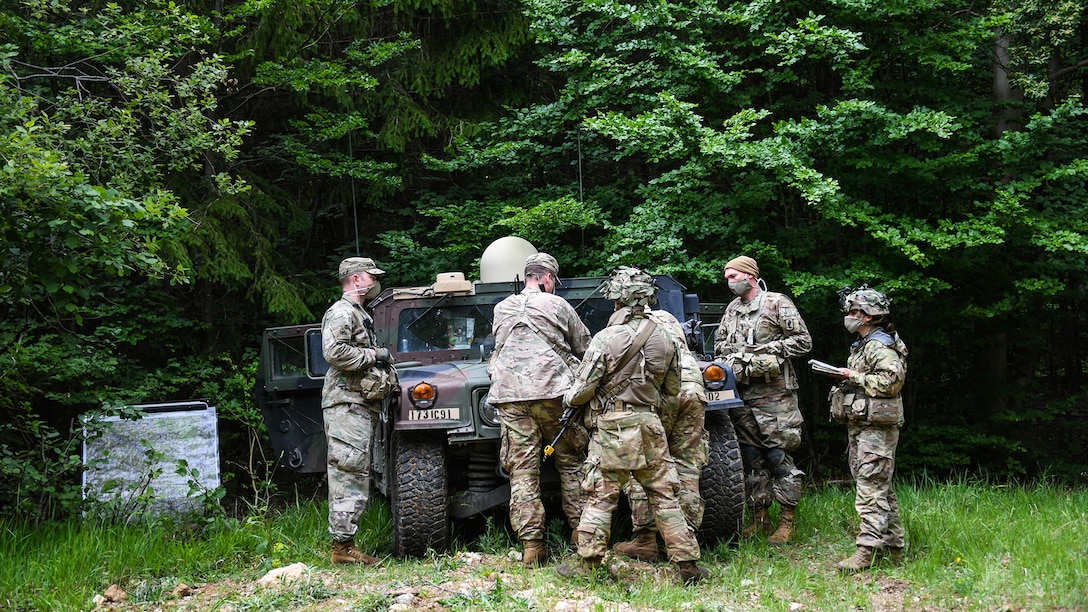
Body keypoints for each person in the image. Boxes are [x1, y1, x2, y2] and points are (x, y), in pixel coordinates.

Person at [558, 267, 708, 585]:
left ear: (617, 301)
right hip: (651, 424)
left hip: (612, 428)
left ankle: (588, 565)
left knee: (601, 496)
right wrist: (656, 423)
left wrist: (571, 400)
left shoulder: (606, 338)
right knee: (665, 496)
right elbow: (670, 394)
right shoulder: (666, 338)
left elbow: (582, 390)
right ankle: (688, 566)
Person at [488, 252, 592, 567]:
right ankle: (581, 535)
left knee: (522, 472)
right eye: (554, 282)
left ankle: (532, 546)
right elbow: (584, 348)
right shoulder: (559, 306)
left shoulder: (501, 307)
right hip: (554, 395)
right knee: (571, 463)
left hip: (510, 397)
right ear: (547, 278)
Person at [715, 256, 812, 545]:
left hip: (775, 395)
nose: (729, 281)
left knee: (778, 456)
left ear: (750, 276)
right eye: (727, 277)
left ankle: (787, 521)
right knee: (751, 457)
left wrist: (763, 351)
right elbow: (720, 345)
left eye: (733, 276)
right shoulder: (732, 309)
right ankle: (759, 519)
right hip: (742, 394)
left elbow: (803, 341)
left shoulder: (776, 303)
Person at [612, 289, 708, 562]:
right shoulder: (667, 317)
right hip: (693, 389)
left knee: (643, 464)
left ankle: (646, 542)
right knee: (688, 464)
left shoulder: (623, 324)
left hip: (663, 394)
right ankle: (684, 541)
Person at [321, 256, 397, 565]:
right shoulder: (341, 313)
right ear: (355, 279)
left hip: (357, 404)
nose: (375, 279)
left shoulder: (357, 313)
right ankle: (343, 547)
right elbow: (334, 352)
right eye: (370, 275)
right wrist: (375, 355)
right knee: (348, 471)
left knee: (356, 470)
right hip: (346, 404)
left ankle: (346, 544)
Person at [829, 286, 908, 572]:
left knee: (871, 487)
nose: (848, 318)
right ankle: (894, 547)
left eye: (853, 313)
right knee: (880, 488)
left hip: (877, 428)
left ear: (867, 316)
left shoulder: (878, 345)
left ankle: (867, 550)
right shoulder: (865, 344)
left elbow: (892, 381)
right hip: (864, 426)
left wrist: (854, 377)